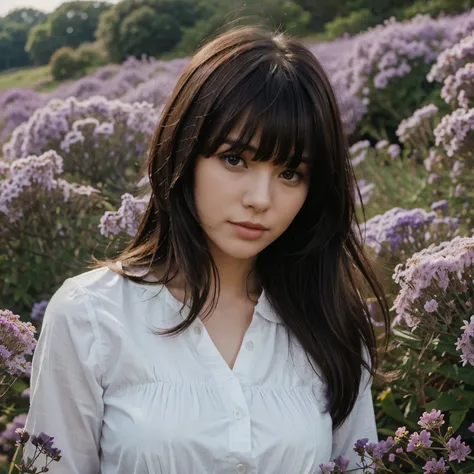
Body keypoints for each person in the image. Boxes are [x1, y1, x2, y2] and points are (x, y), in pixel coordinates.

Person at [23, 25, 389, 474]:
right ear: (183, 152)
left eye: (290, 173)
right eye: (235, 159)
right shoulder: (90, 317)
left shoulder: (330, 321)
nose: (261, 198)